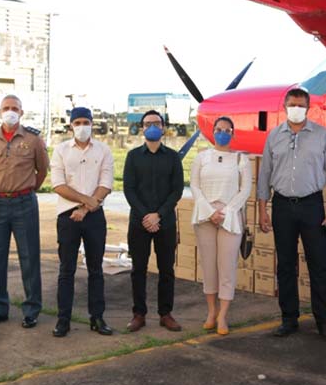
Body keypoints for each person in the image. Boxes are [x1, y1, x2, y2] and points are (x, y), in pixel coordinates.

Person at [258, 88, 326, 342]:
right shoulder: (274, 136)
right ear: (285, 107)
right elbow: (264, 174)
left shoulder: (321, 136)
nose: (296, 109)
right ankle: (289, 319)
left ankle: (324, 322)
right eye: (292, 105)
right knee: (285, 265)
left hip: (311, 206)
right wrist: (262, 209)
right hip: (282, 206)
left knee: (318, 264)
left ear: (307, 108)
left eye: (301, 105)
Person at [0, 94, 49, 329]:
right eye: (6, 108)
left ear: (21, 112)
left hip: (24, 202)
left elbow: (42, 170)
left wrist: (27, 190)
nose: (10, 111)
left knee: (29, 257)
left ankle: (31, 309)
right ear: (0, 112)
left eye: (14, 108)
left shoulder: (33, 139)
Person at [49, 107, 115, 338]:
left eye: (85, 122)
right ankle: (63, 320)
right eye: (77, 123)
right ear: (71, 126)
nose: (82, 126)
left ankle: (97, 318)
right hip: (68, 217)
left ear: (92, 124)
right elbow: (58, 185)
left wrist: (85, 209)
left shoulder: (104, 150)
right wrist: (85, 202)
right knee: (66, 270)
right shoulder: (60, 151)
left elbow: (106, 183)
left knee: (96, 269)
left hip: (94, 216)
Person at [122, 110, 184, 332]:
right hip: (139, 223)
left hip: (165, 223)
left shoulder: (173, 157)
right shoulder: (133, 157)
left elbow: (177, 190)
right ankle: (139, 314)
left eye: (156, 123)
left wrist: (159, 215)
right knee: (138, 269)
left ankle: (165, 314)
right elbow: (129, 189)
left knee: (166, 270)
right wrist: (146, 216)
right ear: (142, 129)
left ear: (163, 127)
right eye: (148, 124)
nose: (152, 127)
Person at [190, 116, 251, 335]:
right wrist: (210, 212)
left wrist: (226, 211)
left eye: (227, 130)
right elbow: (195, 186)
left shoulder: (241, 159)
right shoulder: (201, 157)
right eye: (218, 129)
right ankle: (211, 311)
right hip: (205, 216)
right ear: (212, 132)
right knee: (209, 266)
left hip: (230, 217)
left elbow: (245, 190)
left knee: (227, 267)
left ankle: (223, 315)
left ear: (233, 134)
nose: (222, 133)